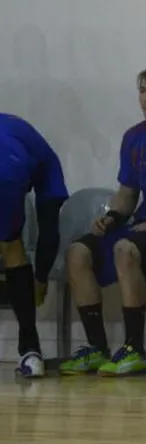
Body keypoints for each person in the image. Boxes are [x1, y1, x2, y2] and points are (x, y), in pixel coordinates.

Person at [59, 66, 146, 376]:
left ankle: (135, 349)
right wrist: (110, 217)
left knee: (125, 248)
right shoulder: (133, 138)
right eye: (142, 91)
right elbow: (127, 195)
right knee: (77, 253)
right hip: (143, 226)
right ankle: (97, 348)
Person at [0, 113, 69, 378]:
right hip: (18, 157)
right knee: (12, 246)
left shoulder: (9, 172)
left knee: (12, 245)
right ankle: (31, 351)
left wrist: (40, 276)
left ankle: (30, 350)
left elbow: (44, 235)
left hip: (21, 167)